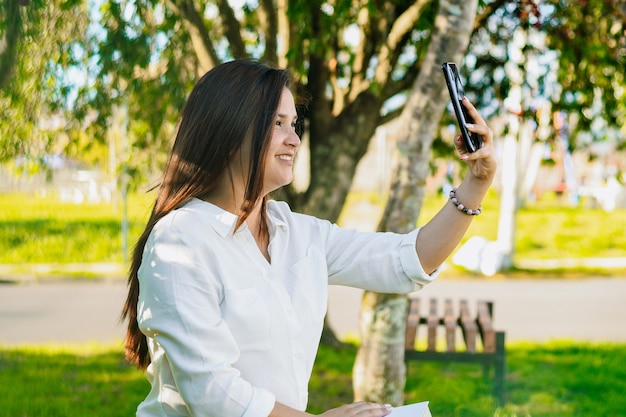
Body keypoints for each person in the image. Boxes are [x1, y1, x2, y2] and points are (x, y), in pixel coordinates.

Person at [121, 58, 497, 417]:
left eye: (294, 124)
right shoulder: (180, 241)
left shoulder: (296, 232)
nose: (294, 140)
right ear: (229, 129)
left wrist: (476, 183)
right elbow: (214, 394)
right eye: (278, 124)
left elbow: (406, 261)